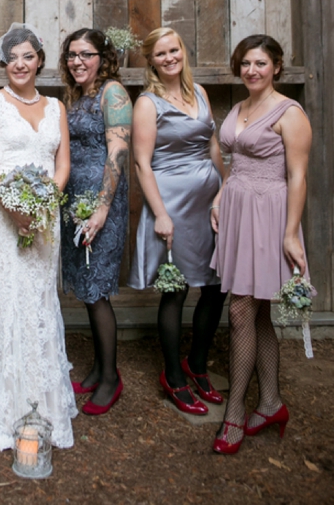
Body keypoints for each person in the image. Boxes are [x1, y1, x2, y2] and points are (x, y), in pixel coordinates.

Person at [0, 24, 78, 450]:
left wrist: (43, 207)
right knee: (6, 297)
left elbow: (62, 165)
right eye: (12, 58)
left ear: (40, 59)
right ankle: (0, 397)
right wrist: (14, 208)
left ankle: (41, 394)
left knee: (39, 297)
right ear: (4, 64)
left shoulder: (57, 107)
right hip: (3, 217)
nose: (20, 64)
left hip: (44, 219)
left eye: (27, 56)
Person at [210, 34, 312, 454]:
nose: (252, 70)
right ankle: (271, 402)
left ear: (276, 67)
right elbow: (234, 164)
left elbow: (299, 177)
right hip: (238, 210)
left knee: (240, 309)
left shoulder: (290, 112)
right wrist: (219, 195)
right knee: (259, 314)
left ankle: (234, 411)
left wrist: (290, 232)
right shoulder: (239, 108)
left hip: (270, 214)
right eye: (246, 64)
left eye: (261, 64)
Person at [129, 27, 227, 415]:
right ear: (151, 60)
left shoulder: (200, 92)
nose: (169, 58)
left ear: (182, 52)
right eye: (160, 54)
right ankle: (173, 375)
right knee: (178, 290)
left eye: (174, 50)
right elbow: (141, 163)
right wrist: (161, 214)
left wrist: (225, 192)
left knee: (216, 287)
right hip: (172, 201)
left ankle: (198, 365)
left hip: (210, 201)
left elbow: (213, 145)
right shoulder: (148, 104)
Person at [59, 28, 131, 415]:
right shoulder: (77, 95)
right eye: (72, 55)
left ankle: (110, 379)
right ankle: (98, 368)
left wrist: (102, 209)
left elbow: (118, 152)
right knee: (88, 287)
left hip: (102, 204)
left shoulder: (112, 93)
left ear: (103, 57)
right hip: (75, 202)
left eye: (86, 54)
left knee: (98, 289)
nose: (77, 62)